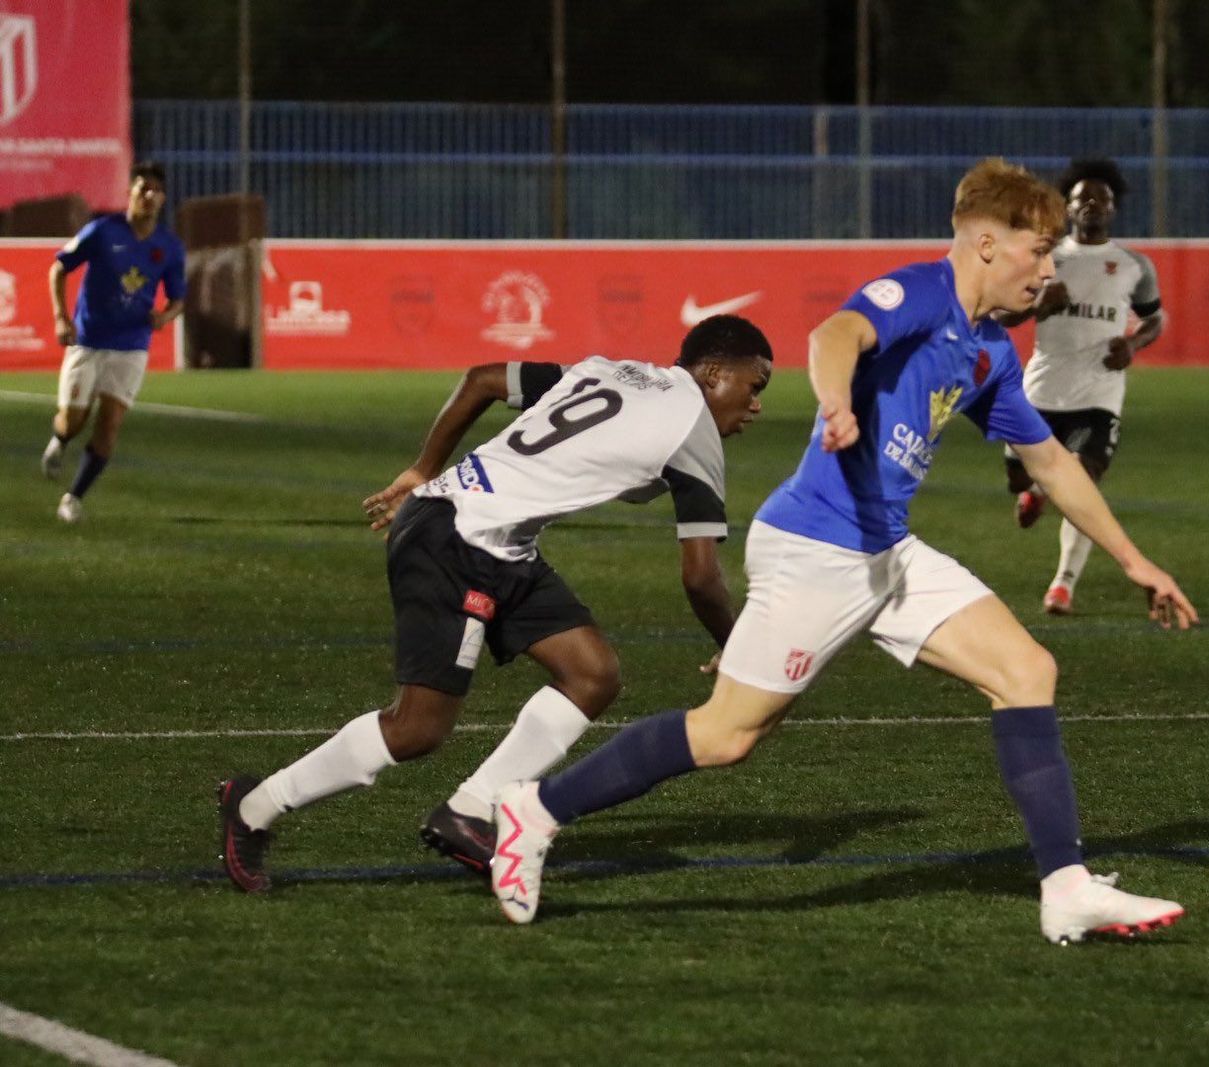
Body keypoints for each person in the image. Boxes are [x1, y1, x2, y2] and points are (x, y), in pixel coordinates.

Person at [489, 159, 1198, 944]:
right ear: (989, 246)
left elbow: (1053, 463)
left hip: (888, 551)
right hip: (817, 549)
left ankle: (1064, 887)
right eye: (1039, 251)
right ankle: (535, 809)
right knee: (727, 735)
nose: (1047, 269)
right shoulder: (922, 293)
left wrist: (1135, 561)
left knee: (1027, 670)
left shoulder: (990, 351)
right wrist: (835, 401)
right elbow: (837, 333)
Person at [217, 315, 773, 893]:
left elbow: (483, 378)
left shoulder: (614, 371)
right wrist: (737, 650)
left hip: (490, 538)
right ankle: (255, 805)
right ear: (712, 372)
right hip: (457, 543)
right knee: (415, 730)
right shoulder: (695, 430)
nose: (755, 405)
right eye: (754, 386)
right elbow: (701, 577)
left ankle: (472, 809)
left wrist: (423, 470)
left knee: (592, 672)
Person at [997, 158, 1165, 614]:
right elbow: (1000, 315)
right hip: (1041, 391)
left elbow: (1154, 318)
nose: (1092, 204)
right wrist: (1037, 308)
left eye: (1101, 199)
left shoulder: (1133, 265)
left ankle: (1062, 585)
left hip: (1099, 394)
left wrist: (1132, 345)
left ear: (1113, 208)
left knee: (1083, 484)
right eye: (1082, 198)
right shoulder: (1044, 259)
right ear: (1068, 207)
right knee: (1018, 478)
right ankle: (1035, 490)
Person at [42, 161, 187, 523]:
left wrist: (164, 317)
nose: (148, 195)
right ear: (130, 192)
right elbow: (59, 267)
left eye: (155, 190)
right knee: (74, 420)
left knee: (110, 424)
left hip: (132, 344)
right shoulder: (103, 231)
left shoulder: (168, 247)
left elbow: (178, 299)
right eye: (142, 188)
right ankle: (60, 440)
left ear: (163, 198)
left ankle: (73, 498)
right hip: (88, 340)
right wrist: (61, 316)